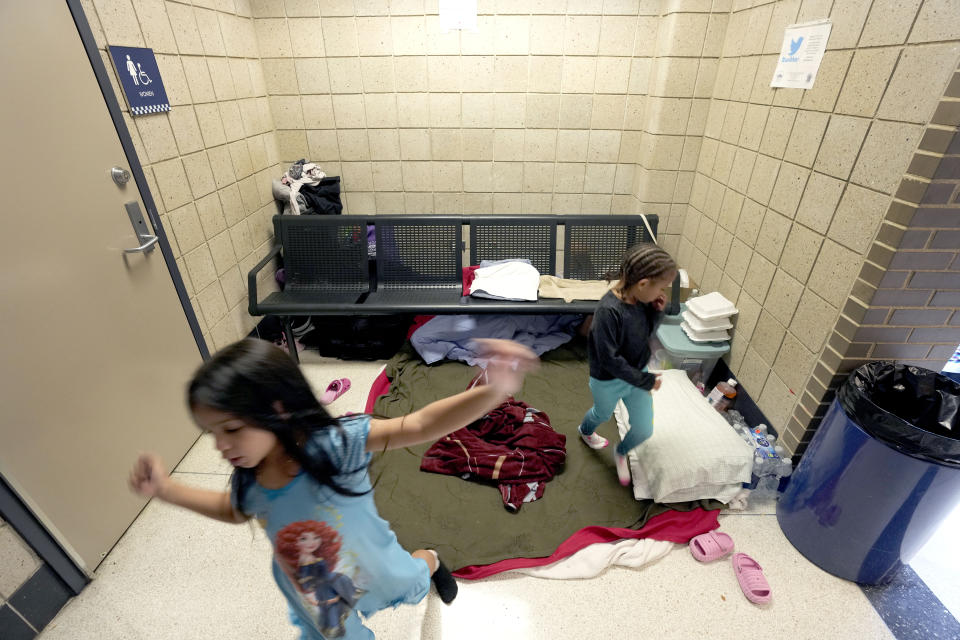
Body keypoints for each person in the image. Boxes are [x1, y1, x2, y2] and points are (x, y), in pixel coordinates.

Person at [129, 337, 537, 640]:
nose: (220, 446)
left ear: (278, 410)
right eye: (212, 434)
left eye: (232, 430)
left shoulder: (336, 445)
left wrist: (493, 391)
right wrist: (166, 489)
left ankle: (430, 559)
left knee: (410, 581)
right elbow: (233, 511)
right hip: (311, 587)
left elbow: (418, 425)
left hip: (373, 562)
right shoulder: (249, 478)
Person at [577, 243, 678, 486]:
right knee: (601, 412)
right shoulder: (608, 312)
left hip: (637, 374)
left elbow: (646, 334)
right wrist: (645, 380)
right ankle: (585, 430)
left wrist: (657, 313)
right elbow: (609, 360)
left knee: (644, 429)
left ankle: (621, 452)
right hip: (608, 380)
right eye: (661, 287)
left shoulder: (642, 301)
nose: (662, 292)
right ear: (643, 284)